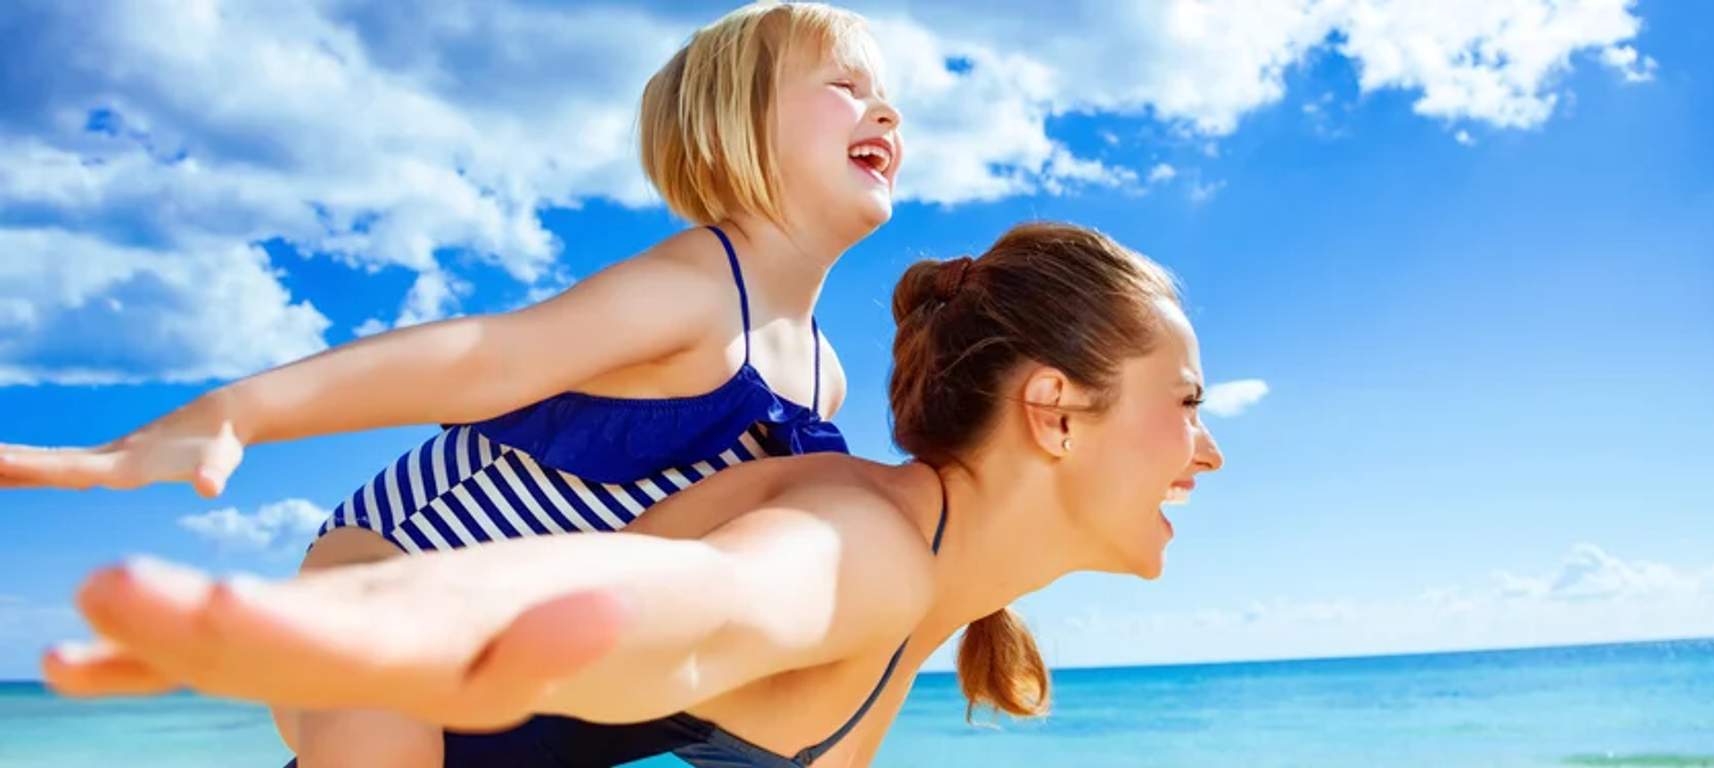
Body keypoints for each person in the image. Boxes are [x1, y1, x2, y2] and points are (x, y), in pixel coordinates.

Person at [0, 2, 902, 763]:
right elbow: (482, 360)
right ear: (733, 127)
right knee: (379, 692)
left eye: (889, 100)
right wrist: (235, 410)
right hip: (392, 575)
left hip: (517, 658)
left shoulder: (822, 377)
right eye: (846, 87)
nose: (886, 113)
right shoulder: (700, 285)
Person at [46, 222, 1227, 768]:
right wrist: (370, 622)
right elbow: (695, 600)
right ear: (1054, 410)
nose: (1207, 449)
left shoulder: (915, 590)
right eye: (1185, 400)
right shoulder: (866, 544)